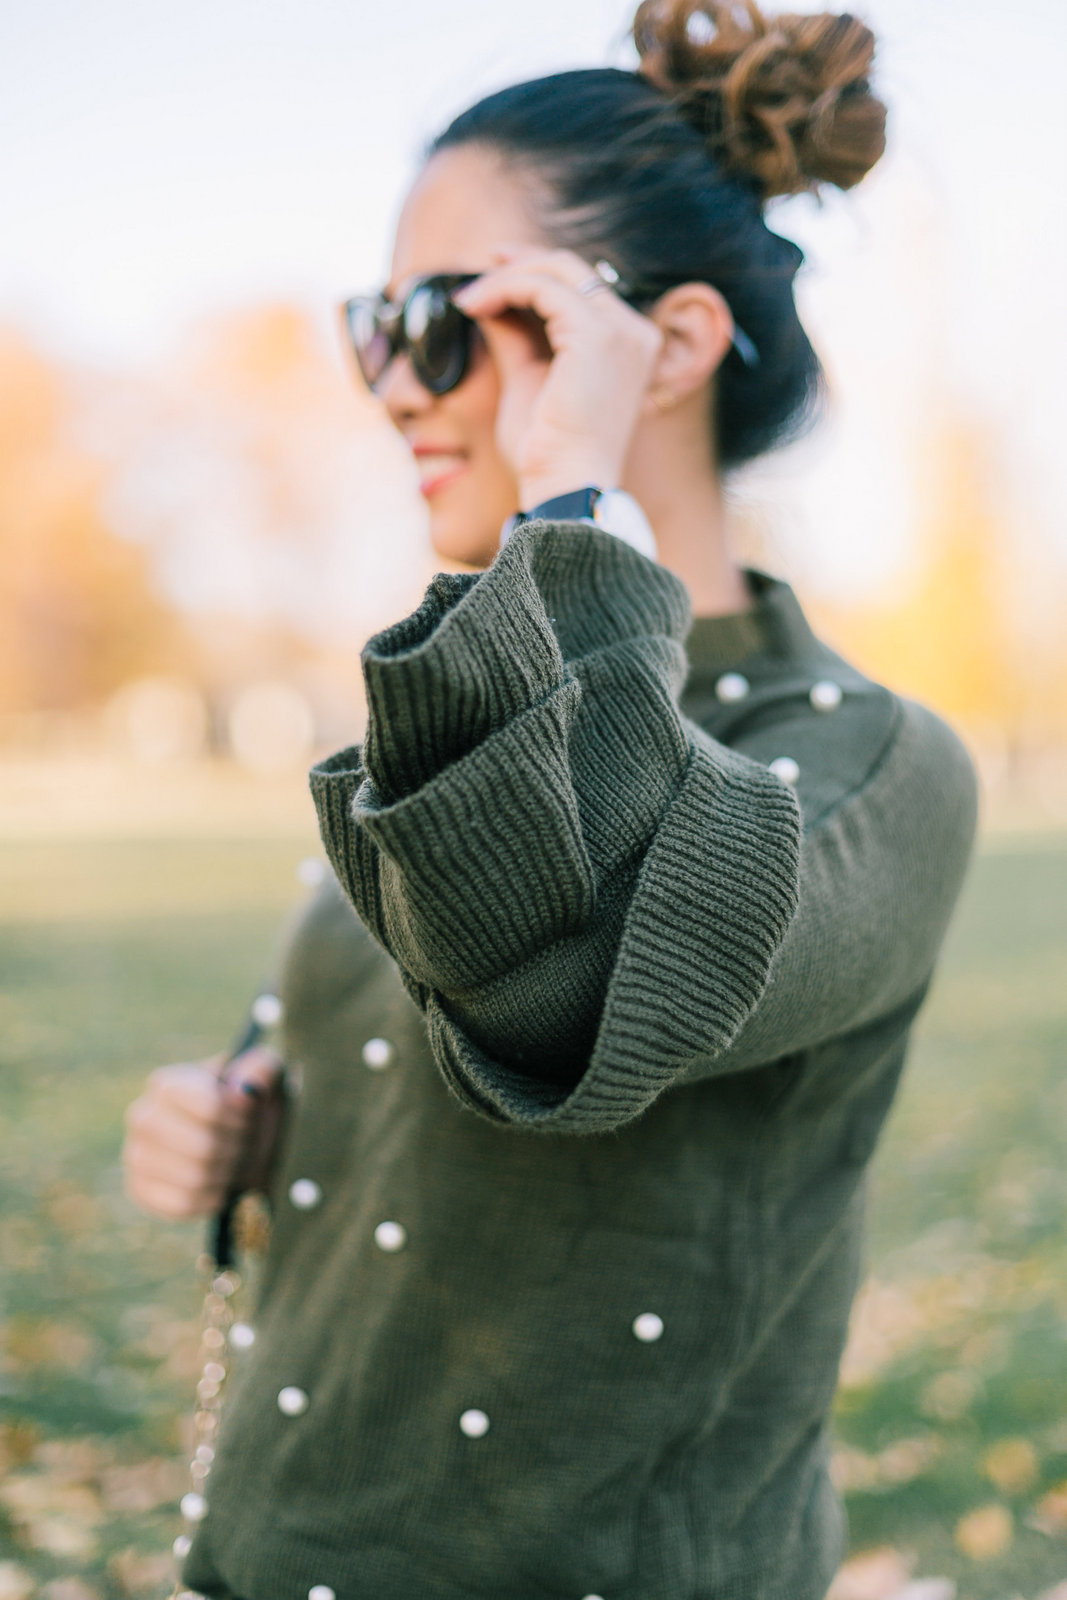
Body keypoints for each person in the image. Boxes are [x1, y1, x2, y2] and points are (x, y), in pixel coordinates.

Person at [122, 4, 979, 1597]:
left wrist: (576, 502)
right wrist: (237, 1119)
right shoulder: (456, 690)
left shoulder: (881, 762)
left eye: (448, 317)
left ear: (667, 346)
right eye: (372, 322)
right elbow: (399, 1040)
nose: (394, 382)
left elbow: (583, 979)